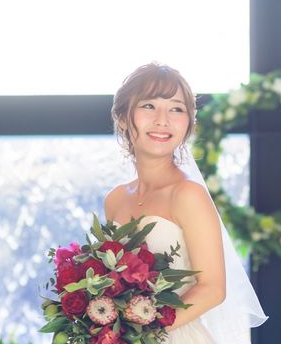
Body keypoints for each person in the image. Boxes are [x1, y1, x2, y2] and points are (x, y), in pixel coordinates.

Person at [103, 63, 267, 344]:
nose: (162, 120)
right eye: (149, 105)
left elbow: (213, 289)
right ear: (122, 118)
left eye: (176, 109)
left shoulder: (188, 195)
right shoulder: (115, 199)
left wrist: (142, 333)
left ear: (189, 123)